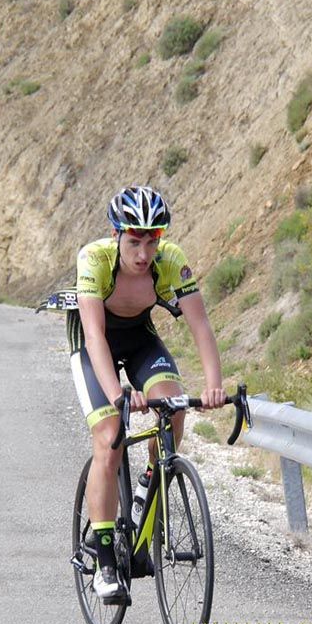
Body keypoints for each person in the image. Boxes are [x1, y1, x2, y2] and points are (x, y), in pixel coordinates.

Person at [67, 185, 226, 601]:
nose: (143, 253)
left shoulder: (170, 262)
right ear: (117, 235)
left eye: (151, 241)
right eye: (134, 241)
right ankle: (104, 561)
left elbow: (201, 326)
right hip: (93, 345)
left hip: (139, 339)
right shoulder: (94, 260)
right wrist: (118, 393)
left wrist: (213, 385)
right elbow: (95, 336)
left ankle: (146, 489)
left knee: (174, 410)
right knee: (109, 439)